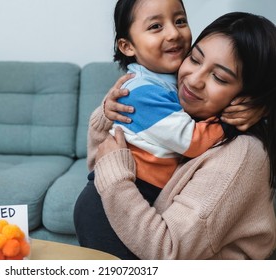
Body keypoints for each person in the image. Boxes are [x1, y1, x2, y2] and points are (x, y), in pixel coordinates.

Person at [74, 12, 276, 259]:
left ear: (249, 94)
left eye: (219, 77)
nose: (194, 80)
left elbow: (170, 253)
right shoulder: (183, 111)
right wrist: (108, 113)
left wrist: (115, 179)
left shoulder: (241, 153)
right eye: (194, 59)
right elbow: (99, 164)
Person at [109, 0, 224, 203]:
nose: (173, 33)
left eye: (180, 21)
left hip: (145, 190)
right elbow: (192, 141)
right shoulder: (141, 92)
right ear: (127, 46)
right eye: (155, 26)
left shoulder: (175, 78)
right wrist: (228, 119)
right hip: (122, 194)